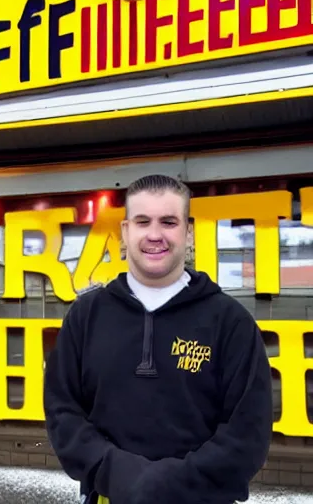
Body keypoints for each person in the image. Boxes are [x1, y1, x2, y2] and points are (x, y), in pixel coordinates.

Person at [43, 174, 273, 504]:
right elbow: (63, 413)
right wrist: (117, 472)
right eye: (142, 221)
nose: (155, 235)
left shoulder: (230, 322)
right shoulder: (85, 317)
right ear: (125, 232)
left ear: (188, 232)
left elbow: (247, 432)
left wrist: (168, 484)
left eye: (168, 221)